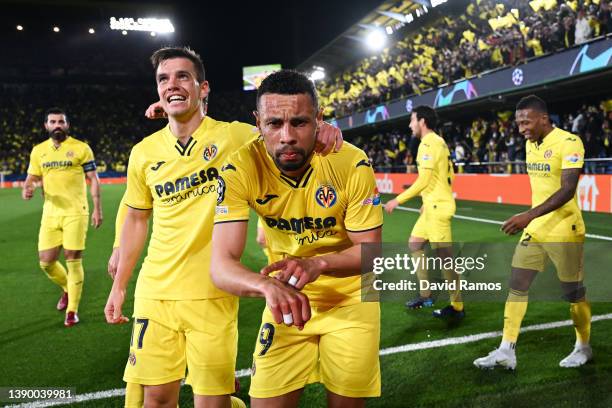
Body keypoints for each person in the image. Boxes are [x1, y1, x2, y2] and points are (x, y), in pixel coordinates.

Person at [104, 47, 342, 408]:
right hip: (156, 290)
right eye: (163, 79)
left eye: (183, 76)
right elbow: (137, 218)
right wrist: (120, 286)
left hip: (212, 293)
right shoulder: (144, 152)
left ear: (204, 88)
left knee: (212, 401)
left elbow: (282, 131)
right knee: (156, 399)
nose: (172, 84)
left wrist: (323, 127)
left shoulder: (235, 137)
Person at [210, 69, 383, 408]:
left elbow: (372, 254)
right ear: (258, 122)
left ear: (319, 119)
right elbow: (221, 265)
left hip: (351, 302)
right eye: (274, 124)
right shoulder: (240, 167)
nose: (287, 136)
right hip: (285, 300)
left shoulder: (350, 162)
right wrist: (266, 287)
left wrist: (318, 263)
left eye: (300, 123)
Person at [474, 95, 591, 370]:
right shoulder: (529, 145)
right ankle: (506, 350)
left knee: (573, 292)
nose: (521, 128)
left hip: (565, 229)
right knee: (517, 283)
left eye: (526, 122)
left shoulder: (569, 142)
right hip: (537, 229)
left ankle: (583, 347)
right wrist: (531, 220)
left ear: (543, 118)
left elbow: (567, 189)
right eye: (518, 123)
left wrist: (528, 215)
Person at [22, 107, 103, 327]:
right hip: (50, 213)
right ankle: (68, 287)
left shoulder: (81, 148)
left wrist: (98, 208)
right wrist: (28, 188)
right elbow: (32, 178)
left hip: (76, 212)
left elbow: (93, 179)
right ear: (46, 126)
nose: (57, 125)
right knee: (46, 262)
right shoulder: (39, 151)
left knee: (72, 258)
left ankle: (72, 310)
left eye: (61, 122)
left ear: (67, 125)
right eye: (53, 122)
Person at [384, 106, 463, 319]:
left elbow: (424, 180)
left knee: (445, 258)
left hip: (437, 208)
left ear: (422, 121)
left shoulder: (428, 143)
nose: (410, 125)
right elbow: (449, 174)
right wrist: (428, 199)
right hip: (431, 205)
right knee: (415, 243)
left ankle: (457, 306)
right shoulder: (438, 142)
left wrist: (397, 200)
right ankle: (425, 294)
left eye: (412, 120)